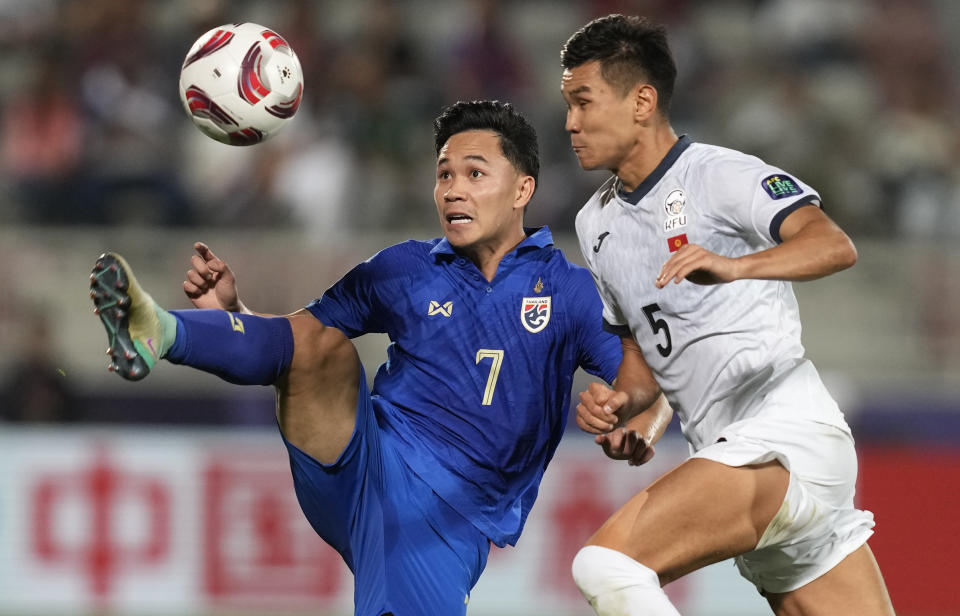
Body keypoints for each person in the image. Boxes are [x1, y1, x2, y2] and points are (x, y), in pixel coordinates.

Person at [89, 99, 671, 616]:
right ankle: (157, 329)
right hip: (359, 457)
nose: (453, 189)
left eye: (474, 173)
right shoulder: (404, 267)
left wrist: (634, 423)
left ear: (522, 189)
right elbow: (299, 341)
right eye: (443, 174)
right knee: (327, 345)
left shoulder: (567, 291)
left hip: (449, 516)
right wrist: (234, 317)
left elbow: (647, 383)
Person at [559, 15, 895, 615]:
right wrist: (626, 405)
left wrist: (738, 265)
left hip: (784, 438)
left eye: (583, 101)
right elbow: (645, 351)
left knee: (607, 566)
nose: (570, 123)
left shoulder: (719, 175)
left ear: (642, 100)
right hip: (732, 458)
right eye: (567, 105)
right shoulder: (595, 224)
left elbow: (834, 244)